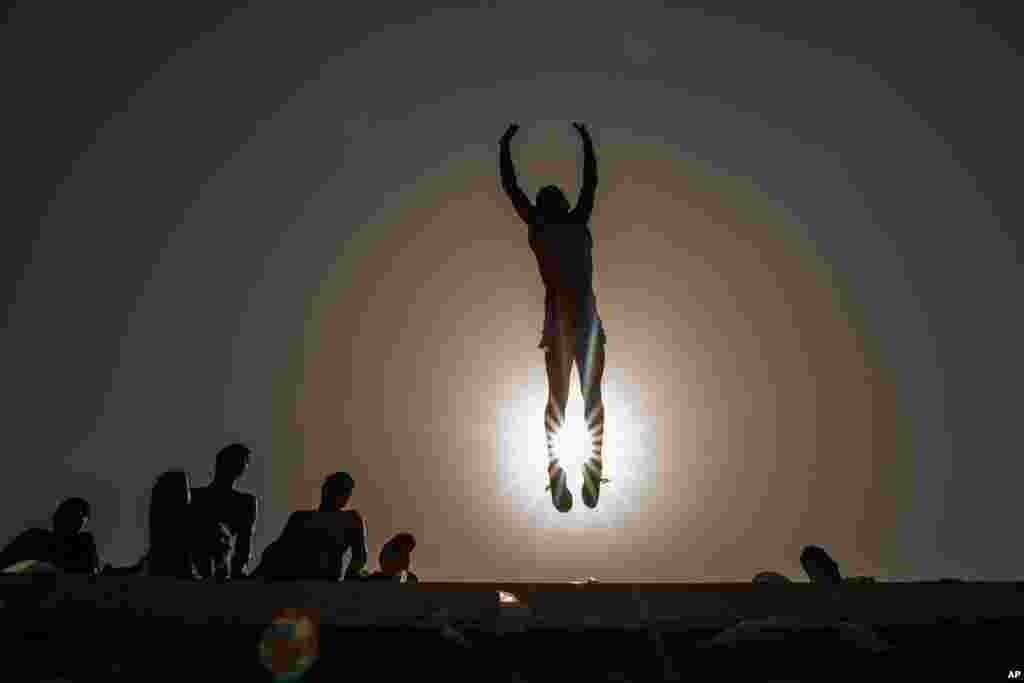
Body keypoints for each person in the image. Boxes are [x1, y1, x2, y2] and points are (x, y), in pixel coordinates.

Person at [499, 121, 609, 512]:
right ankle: (561, 472)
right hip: (569, 325)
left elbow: (589, 185)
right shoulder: (547, 224)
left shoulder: (565, 223)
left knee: (579, 398)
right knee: (567, 399)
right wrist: (505, 148)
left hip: (582, 325)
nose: (550, 199)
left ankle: (589, 470)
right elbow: (513, 189)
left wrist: (588, 145)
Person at [251, 472, 368, 582]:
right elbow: (279, 550)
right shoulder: (301, 518)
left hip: (327, 579)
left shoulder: (350, 519)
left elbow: (360, 557)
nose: (342, 494)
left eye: (346, 491)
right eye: (338, 488)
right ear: (325, 489)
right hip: (295, 575)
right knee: (273, 551)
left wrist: (347, 582)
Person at [190, 443, 259, 580]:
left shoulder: (245, 502)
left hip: (221, 558)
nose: (241, 466)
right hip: (198, 555)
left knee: (219, 535)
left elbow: (243, 545)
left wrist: (237, 572)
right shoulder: (196, 497)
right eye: (238, 461)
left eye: (243, 462)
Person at [0, 497, 101, 574]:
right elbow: (5, 561)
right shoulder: (35, 537)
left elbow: (91, 574)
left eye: (78, 518)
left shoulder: (83, 542)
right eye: (68, 514)